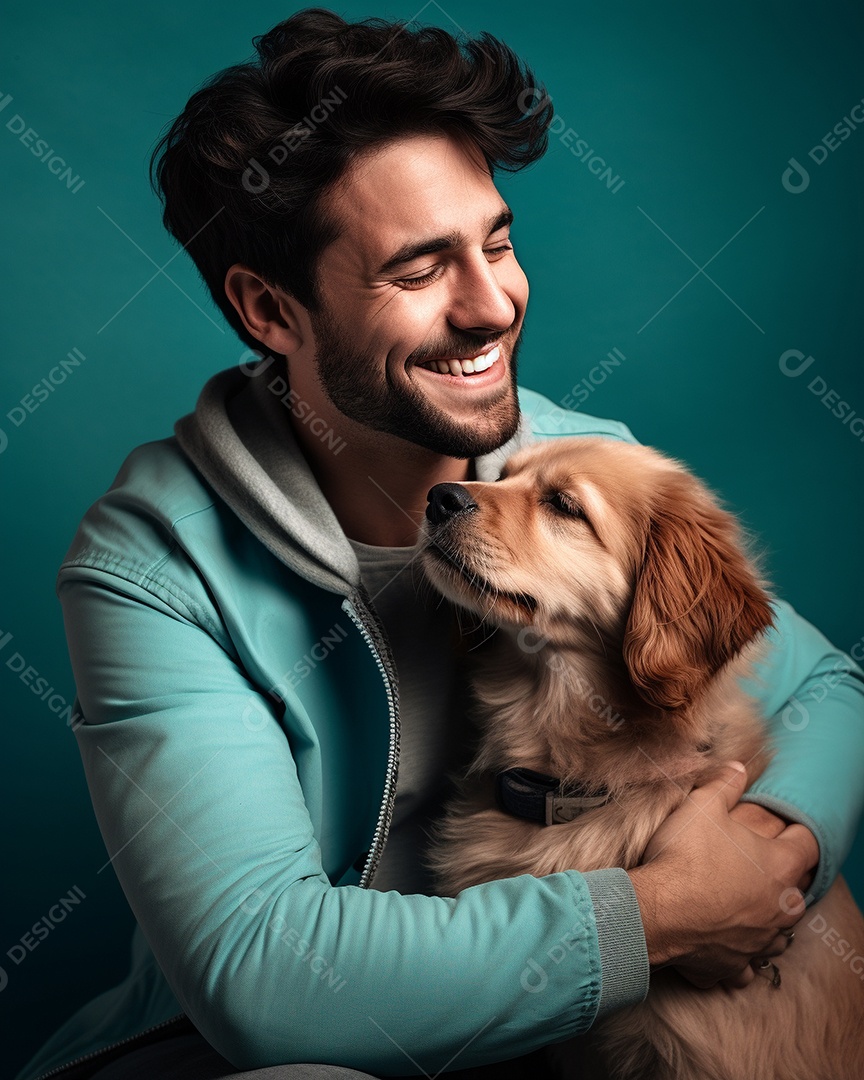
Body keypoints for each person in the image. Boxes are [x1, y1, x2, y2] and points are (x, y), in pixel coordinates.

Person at [16, 10, 864, 1080]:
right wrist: (663, 914)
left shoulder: (578, 462)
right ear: (269, 310)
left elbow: (826, 686)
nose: (492, 306)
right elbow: (266, 977)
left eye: (497, 243)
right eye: (419, 271)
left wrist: (772, 858)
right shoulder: (154, 570)